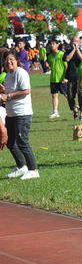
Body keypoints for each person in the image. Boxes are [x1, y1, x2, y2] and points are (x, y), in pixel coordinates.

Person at [1, 51, 38, 180]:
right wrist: (3, 91)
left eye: (11, 59)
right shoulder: (7, 76)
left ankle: (33, 169)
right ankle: (22, 167)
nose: (8, 62)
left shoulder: (21, 73)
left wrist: (8, 96)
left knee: (22, 142)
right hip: (11, 114)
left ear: (17, 60)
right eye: (6, 59)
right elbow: (10, 91)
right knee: (10, 142)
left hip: (22, 113)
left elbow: (26, 90)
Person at [64, 36, 82, 121]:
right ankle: (74, 108)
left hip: (79, 77)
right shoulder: (68, 51)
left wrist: (77, 50)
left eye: (77, 42)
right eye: (73, 42)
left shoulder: (81, 52)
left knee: (81, 95)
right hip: (70, 77)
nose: (75, 43)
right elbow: (67, 59)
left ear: (79, 43)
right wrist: (73, 50)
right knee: (70, 96)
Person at [47, 39, 68, 119]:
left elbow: (66, 66)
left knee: (66, 94)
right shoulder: (49, 56)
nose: (52, 45)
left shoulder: (62, 54)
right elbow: (51, 65)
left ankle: (74, 107)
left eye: (53, 44)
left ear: (57, 45)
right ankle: (55, 111)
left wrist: (66, 77)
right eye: (51, 44)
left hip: (62, 79)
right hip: (53, 79)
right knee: (54, 95)